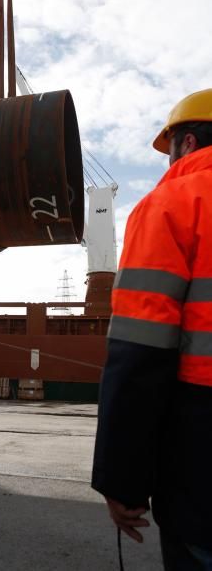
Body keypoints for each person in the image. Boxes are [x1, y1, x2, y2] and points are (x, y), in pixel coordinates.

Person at [92, 89, 212, 569]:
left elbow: (139, 355)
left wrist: (122, 482)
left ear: (185, 142)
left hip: (201, 459)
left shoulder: (173, 204)